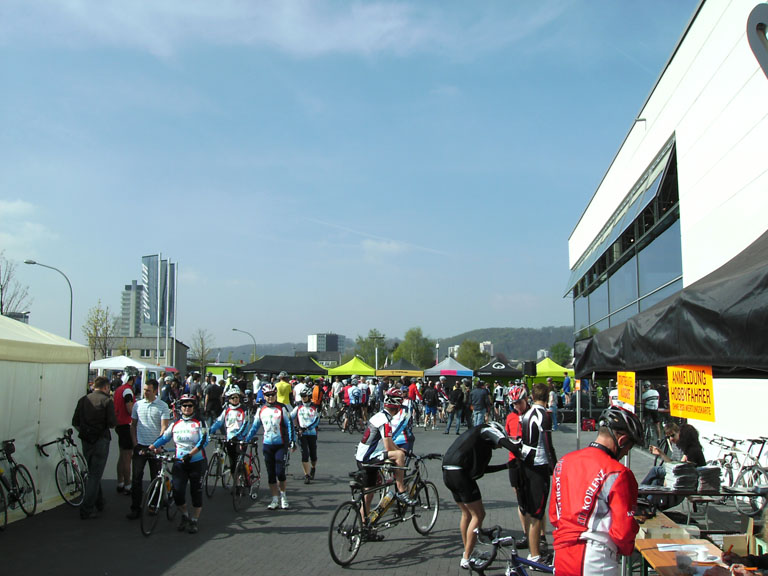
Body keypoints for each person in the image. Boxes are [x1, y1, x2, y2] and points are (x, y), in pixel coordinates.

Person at [549, 407, 643, 576]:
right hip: (595, 558)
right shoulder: (618, 472)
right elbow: (623, 531)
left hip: (562, 554)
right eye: (629, 448)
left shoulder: (563, 462)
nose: (625, 453)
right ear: (622, 440)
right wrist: (627, 548)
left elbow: (555, 516)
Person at [442, 420, 522, 569]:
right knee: (479, 515)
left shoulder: (476, 441)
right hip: (460, 474)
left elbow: (482, 470)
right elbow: (507, 444)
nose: (497, 447)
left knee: (467, 514)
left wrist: (506, 466)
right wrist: (519, 452)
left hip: (448, 471)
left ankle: (469, 551)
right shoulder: (486, 429)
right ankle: (466, 558)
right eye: (496, 445)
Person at [355, 388, 417, 522]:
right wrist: (400, 452)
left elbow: (388, 442)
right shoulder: (385, 421)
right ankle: (401, 490)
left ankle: (364, 524)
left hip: (361, 457)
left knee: (369, 493)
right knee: (399, 456)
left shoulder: (378, 415)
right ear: (398, 407)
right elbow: (388, 446)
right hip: (369, 458)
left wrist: (398, 449)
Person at [149, 394, 208, 534]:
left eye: (190, 405)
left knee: (196, 492)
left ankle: (194, 520)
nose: (187, 408)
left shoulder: (200, 422)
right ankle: (185, 515)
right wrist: (150, 447)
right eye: (184, 405)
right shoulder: (175, 423)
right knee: (178, 492)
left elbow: (204, 440)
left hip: (196, 462)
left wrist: (190, 454)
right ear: (180, 407)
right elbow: (164, 437)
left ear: (194, 407)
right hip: (180, 463)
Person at [518, 382, 557, 562]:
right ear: (547, 397)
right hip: (539, 465)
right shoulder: (544, 415)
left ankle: (533, 549)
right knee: (536, 512)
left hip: (525, 464)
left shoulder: (526, 414)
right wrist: (555, 467)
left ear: (532, 397)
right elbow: (548, 444)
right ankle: (534, 556)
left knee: (530, 510)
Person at [72, 376, 117, 520]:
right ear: (106, 387)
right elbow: (112, 423)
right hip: (101, 439)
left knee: (92, 472)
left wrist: (85, 432)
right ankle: (87, 508)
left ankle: (99, 502)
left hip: (86, 439)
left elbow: (75, 422)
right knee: (95, 475)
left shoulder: (83, 399)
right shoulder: (107, 401)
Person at [126, 378, 171, 520]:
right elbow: (133, 425)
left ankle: (153, 505)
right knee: (136, 478)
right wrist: (135, 443)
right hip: (140, 446)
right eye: (144, 390)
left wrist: (158, 444)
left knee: (155, 477)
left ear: (155, 391)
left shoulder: (162, 406)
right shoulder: (137, 405)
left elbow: (164, 427)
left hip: (155, 447)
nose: (145, 393)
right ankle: (135, 508)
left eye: (148, 390)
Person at [246, 382, 294, 510]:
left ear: (276, 394)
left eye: (273, 394)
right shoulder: (261, 410)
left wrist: (292, 441)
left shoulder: (282, 408)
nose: (270, 397)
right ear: (264, 396)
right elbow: (254, 427)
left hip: (280, 444)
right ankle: (274, 499)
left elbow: (289, 425)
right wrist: (246, 439)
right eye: (268, 395)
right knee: (271, 473)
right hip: (267, 445)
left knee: (280, 472)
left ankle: (283, 496)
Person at [643, 422, 705, 490]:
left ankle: (639, 491)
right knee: (655, 481)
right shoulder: (687, 448)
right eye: (668, 437)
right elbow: (674, 464)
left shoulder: (692, 451)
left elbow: (684, 470)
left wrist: (668, 477)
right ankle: (643, 493)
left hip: (687, 482)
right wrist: (661, 453)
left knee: (655, 470)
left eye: (672, 435)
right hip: (680, 476)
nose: (670, 439)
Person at [209, 387, 250, 477]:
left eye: (237, 397)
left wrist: (238, 435)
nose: (235, 399)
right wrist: (210, 431)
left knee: (239, 461)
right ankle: (235, 479)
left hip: (240, 439)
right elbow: (219, 422)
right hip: (229, 439)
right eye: (232, 397)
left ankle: (242, 478)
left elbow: (246, 424)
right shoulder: (226, 410)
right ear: (229, 399)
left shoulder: (244, 410)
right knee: (232, 463)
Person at [291, 387, 320, 484]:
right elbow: (290, 417)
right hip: (302, 434)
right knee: (305, 454)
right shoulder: (298, 407)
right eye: (301, 396)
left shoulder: (315, 407)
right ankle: (306, 475)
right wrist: (295, 427)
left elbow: (316, 421)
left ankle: (313, 467)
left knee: (313, 455)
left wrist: (307, 428)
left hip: (312, 434)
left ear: (309, 396)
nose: (303, 398)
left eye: (305, 396)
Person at [114, 374, 136, 495]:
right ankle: (128, 485)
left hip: (119, 424)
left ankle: (120, 482)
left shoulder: (119, 389)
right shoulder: (127, 390)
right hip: (126, 424)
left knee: (122, 455)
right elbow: (129, 408)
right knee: (127, 456)